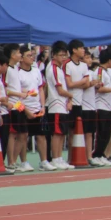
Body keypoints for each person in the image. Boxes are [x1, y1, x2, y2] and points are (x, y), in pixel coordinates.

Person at [46, 41, 74, 170]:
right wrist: (71, 96)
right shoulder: (52, 68)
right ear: (54, 55)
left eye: (65, 55)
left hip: (62, 105)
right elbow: (60, 90)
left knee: (62, 133)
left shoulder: (59, 69)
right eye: (61, 55)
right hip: (56, 105)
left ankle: (60, 158)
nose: (63, 58)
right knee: (57, 134)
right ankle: (55, 158)